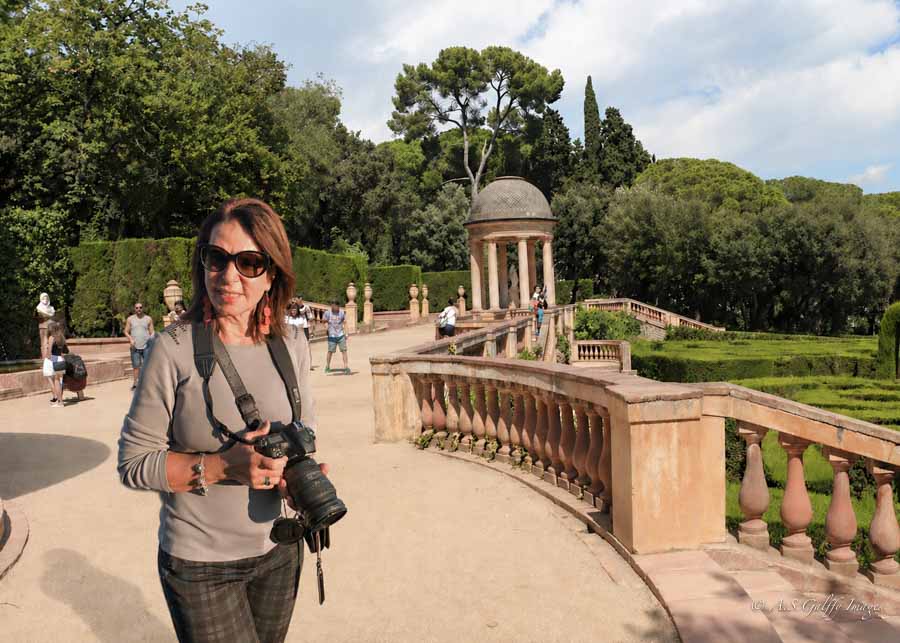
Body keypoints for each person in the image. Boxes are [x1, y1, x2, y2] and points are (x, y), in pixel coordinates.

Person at [118, 197, 325, 643]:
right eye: (217, 258)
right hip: (201, 564)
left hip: (280, 551)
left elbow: (305, 434)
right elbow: (133, 464)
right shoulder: (171, 348)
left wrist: (297, 474)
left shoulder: (292, 345)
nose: (229, 277)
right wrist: (222, 467)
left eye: (249, 262)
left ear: (272, 274)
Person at [124, 302, 154, 390]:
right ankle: (135, 384)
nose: (139, 309)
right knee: (136, 366)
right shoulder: (130, 319)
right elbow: (126, 331)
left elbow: (152, 332)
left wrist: (152, 339)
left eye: (140, 307)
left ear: (143, 308)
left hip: (146, 346)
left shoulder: (148, 319)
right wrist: (130, 339)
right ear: (134, 309)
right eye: (137, 308)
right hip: (135, 347)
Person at [42, 320, 67, 407]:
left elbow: (49, 353)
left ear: (51, 329)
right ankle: (60, 401)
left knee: (56, 382)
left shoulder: (52, 338)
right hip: (60, 359)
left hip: (55, 360)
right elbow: (63, 352)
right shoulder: (61, 337)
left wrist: (48, 358)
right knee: (60, 382)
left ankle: (60, 402)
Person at [323, 300, 349, 374]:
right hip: (332, 336)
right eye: (332, 305)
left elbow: (345, 323)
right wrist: (326, 327)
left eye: (334, 306)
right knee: (330, 351)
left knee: (344, 351)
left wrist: (346, 333)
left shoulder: (342, 313)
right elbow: (324, 321)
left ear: (338, 306)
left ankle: (346, 367)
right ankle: (327, 366)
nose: (333, 307)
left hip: (340, 335)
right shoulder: (327, 313)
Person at [35, 292, 55, 359]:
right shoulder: (39, 308)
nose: (45, 299)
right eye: (44, 298)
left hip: (51, 326)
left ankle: (49, 357)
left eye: (46, 297)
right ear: (41, 299)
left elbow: (52, 314)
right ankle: (45, 359)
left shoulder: (51, 308)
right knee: (44, 343)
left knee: (51, 342)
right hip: (43, 326)